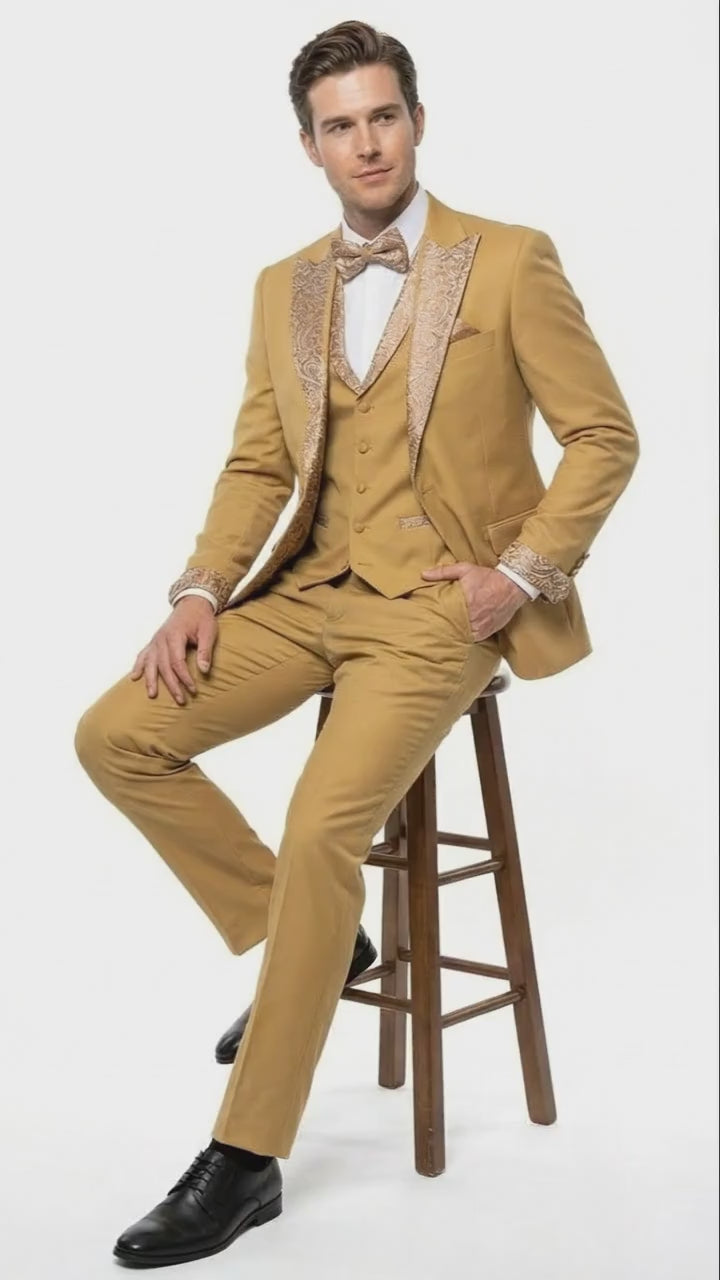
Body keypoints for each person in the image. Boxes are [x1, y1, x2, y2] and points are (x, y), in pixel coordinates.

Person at [74, 18, 639, 1268]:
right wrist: (201, 588)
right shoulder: (283, 285)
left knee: (325, 824)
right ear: (310, 146)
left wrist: (518, 574)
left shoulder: (509, 259)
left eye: (384, 116)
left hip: (438, 608)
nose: (367, 142)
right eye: (341, 126)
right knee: (115, 734)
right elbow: (259, 462)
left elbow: (604, 434)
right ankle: (321, 937)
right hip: (308, 589)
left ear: (417, 122)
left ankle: (244, 1156)